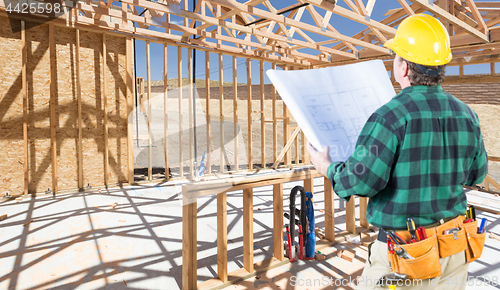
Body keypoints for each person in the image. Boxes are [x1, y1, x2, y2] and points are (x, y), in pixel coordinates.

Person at [307, 14, 488, 290]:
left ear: (403, 67)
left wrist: (328, 167)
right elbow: (477, 174)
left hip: (405, 254)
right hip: (453, 247)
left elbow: (360, 181)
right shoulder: (467, 115)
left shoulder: (390, 116)